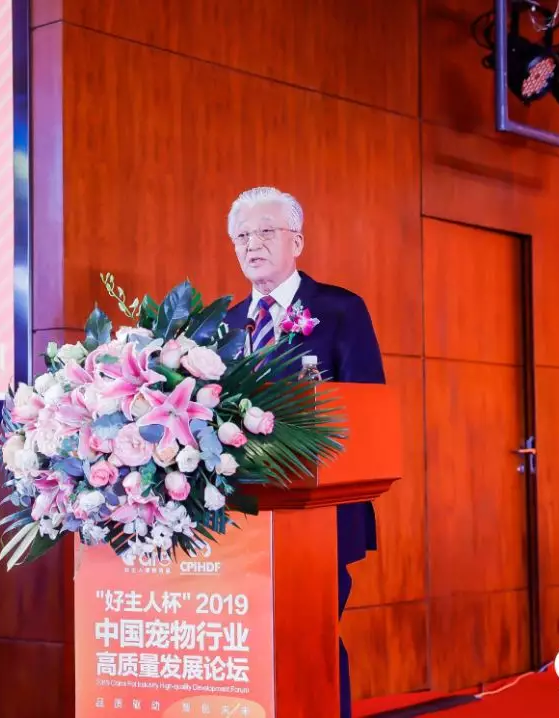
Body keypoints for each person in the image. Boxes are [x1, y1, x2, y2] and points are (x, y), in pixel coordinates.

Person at [223, 186, 386, 718]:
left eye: (265, 232)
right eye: (242, 236)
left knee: (310, 638)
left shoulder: (340, 310)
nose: (252, 244)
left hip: (320, 513)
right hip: (246, 517)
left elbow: (366, 411)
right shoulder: (226, 324)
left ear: (297, 241)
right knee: (252, 643)